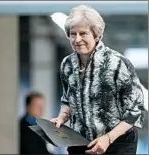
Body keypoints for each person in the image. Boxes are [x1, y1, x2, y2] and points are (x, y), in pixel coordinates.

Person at [51, 5, 145, 155]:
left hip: (117, 144)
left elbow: (135, 111)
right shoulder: (67, 64)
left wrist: (108, 139)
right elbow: (68, 100)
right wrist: (62, 117)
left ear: (97, 35)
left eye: (83, 33)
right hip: (80, 142)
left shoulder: (118, 64)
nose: (77, 39)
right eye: (73, 34)